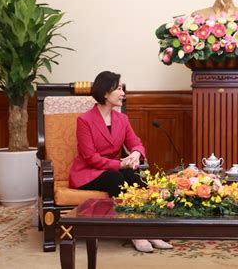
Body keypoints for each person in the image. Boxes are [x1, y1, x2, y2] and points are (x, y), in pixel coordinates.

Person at [69, 71, 173, 253]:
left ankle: (150, 230)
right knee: (116, 177)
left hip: (112, 168)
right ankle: (135, 232)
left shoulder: (122, 119)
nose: (123, 92)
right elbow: (90, 158)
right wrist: (120, 164)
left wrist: (135, 154)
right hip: (87, 172)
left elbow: (136, 143)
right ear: (105, 93)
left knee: (135, 177)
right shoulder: (84, 120)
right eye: (118, 88)